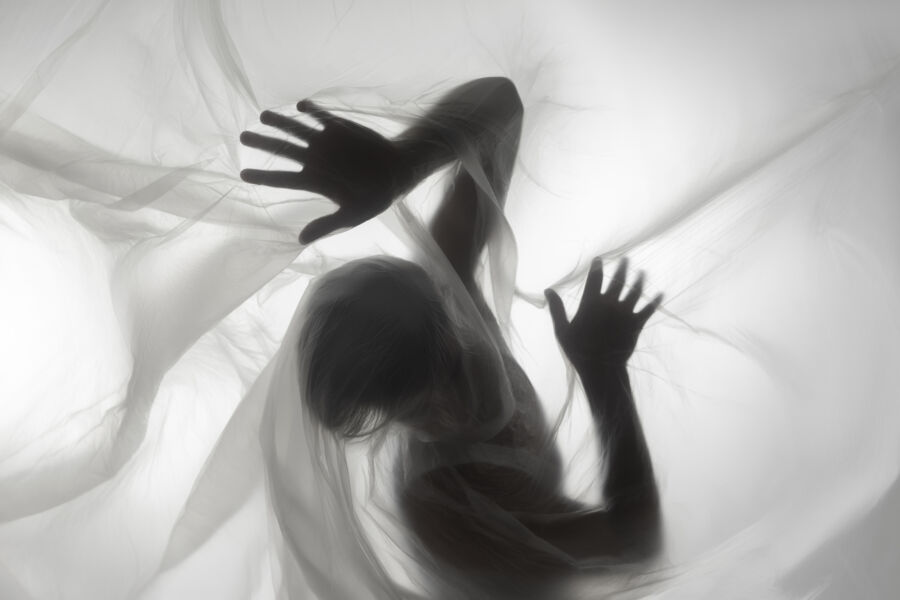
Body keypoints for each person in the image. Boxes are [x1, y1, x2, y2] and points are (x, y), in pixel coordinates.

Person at [240, 77, 664, 589]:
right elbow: (634, 543)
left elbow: (501, 105)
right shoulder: (443, 506)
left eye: (453, 372)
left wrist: (403, 163)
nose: (452, 412)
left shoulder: (455, 283)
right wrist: (603, 374)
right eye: (414, 412)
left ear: (451, 313)